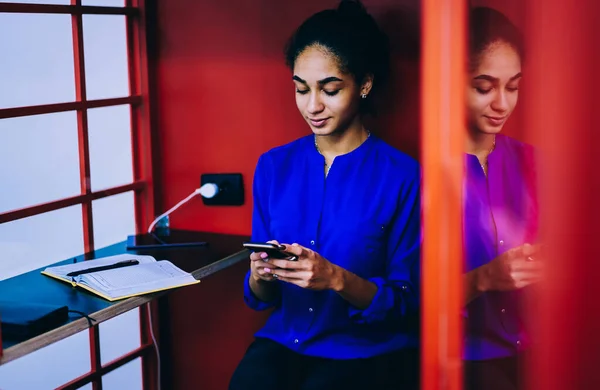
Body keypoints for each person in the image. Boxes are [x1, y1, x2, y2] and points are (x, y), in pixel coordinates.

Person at [228, 1, 421, 389]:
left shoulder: (402, 175)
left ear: (364, 84)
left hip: (366, 351)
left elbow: (406, 301)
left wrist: (334, 278)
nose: (312, 106)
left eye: (330, 90)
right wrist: (259, 275)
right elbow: (262, 298)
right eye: (301, 89)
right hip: (285, 343)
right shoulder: (273, 166)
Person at [461, 7, 543, 390]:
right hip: (462, 360)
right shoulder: (418, 174)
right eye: (483, 87)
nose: (502, 104)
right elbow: (404, 302)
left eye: (512, 87)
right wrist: (484, 278)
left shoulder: (531, 162)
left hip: (536, 350)